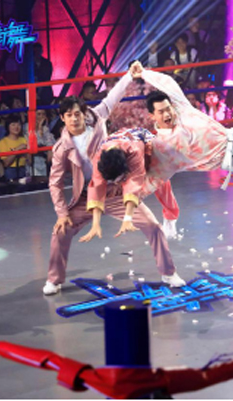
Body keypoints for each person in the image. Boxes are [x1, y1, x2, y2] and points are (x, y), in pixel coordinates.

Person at [84, 59, 233, 220]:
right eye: (161, 112)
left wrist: (144, 73)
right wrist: (107, 199)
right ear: (152, 116)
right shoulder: (162, 150)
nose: (167, 114)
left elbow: (169, 84)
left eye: (168, 108)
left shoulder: (181, 108)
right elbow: (146, 184)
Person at [44, 76, 184, 296]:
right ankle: (54, 279)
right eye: (69, 115)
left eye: (77, 113)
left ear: (84, 113)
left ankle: (168, 272)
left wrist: (129, 75)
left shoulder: (98, 119)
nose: (74, 118)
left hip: (117, 190)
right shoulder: (62, 148)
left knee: (153, 226)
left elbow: (113, 96)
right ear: (62, 118)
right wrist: (62, 213)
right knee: (60, 232)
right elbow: (55, 183)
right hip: (87, 195)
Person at [0, 116, 30, 182]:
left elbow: (30, 160)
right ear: (8, 127)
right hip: (11, 170)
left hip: (24, 169)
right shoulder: (3, 142)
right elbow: (6, 163)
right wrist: (17, 150)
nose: (16, 127)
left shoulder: (24, 139)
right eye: (13, 125)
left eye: (19, 125)